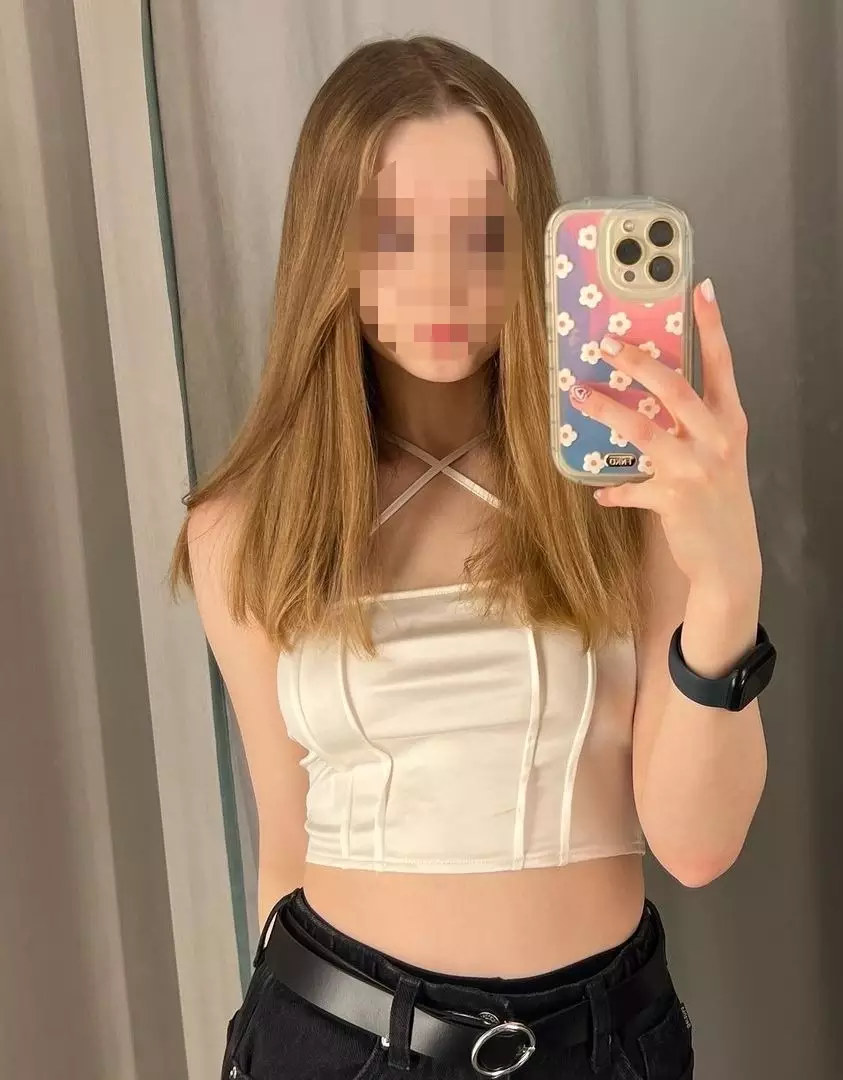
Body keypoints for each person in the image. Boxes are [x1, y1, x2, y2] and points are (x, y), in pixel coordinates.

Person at [171, 33, 771, 1080]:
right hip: (333, 1038)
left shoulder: (623, 491)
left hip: (603, 1043)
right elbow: (284, 838)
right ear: (328, 245)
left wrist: (727, 581)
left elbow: (697, 847)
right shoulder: (245, 526)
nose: (443, 281)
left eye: (485, 234)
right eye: (394, 233)